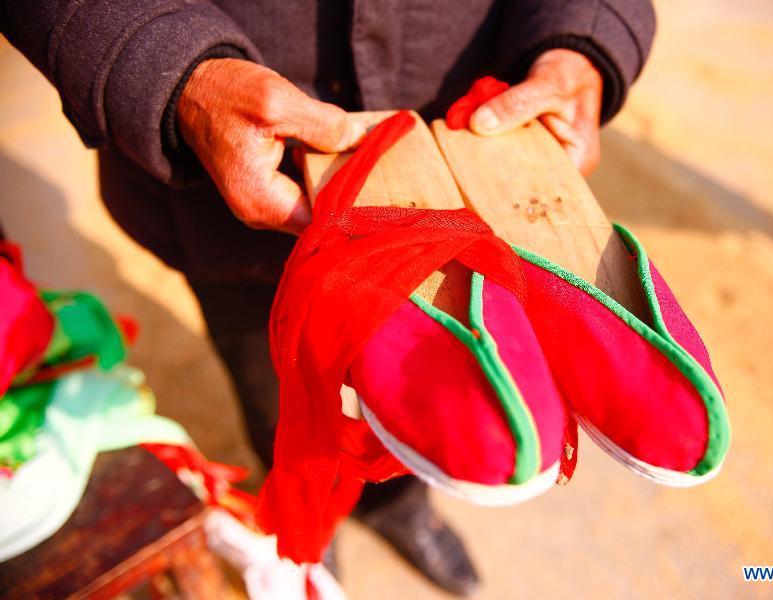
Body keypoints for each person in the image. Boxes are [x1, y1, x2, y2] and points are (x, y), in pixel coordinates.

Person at [1, 1, 655, 595]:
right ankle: (316, 513)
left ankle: (397, 505)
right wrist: (172, 71)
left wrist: (586, 33)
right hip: (223, 179)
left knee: (446, 386)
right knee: (269, 377)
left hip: (460, 152)